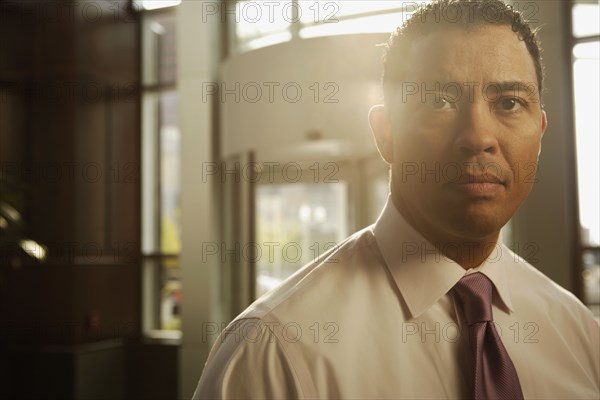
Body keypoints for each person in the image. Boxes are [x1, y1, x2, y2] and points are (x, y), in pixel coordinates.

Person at [193, 0, 600, 398]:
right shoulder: (272, 353)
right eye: (438, 101)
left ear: (541, 131)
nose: (478, 137)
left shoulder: (580, 336)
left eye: (509, 103)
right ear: (386, 133)